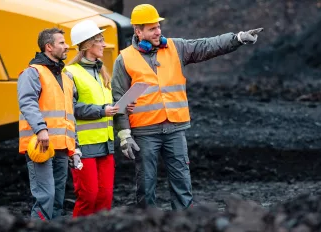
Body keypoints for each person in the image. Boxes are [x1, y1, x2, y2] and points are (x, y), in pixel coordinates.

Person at [111, 4, 263, 210]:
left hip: (174, 128)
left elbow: (206, 46)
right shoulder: (124, 59)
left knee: (182, 180)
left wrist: (237, 39)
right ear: (138, 32)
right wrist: (124, 135)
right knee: (146, 184)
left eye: (158, 27)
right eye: (152, 28)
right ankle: (146, 221)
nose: (158, 31)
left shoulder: (176, 47)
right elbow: (118, 97)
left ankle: (184, 222)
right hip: (145, 132)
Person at [64, 20, 135, 217]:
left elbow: (108, 105)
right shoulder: (70, 73)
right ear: (87, 44)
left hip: (105, 144)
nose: (104, 44)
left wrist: (122, 107)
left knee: (104, 198)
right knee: (89, 197)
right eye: (100, 40)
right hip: (84, 146)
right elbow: (69, 108)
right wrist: (102, 110)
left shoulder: (102, 72)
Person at [17, 27, 82, 221]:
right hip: (41, 145)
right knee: (46, 197)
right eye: (61, 43)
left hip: (62, 147)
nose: (67, 46)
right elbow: (27, 102)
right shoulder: (32, 73)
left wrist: (75, 147)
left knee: (57, 200)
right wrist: (41, 129)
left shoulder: (66, 77)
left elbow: (69, 115)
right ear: (49, 47)